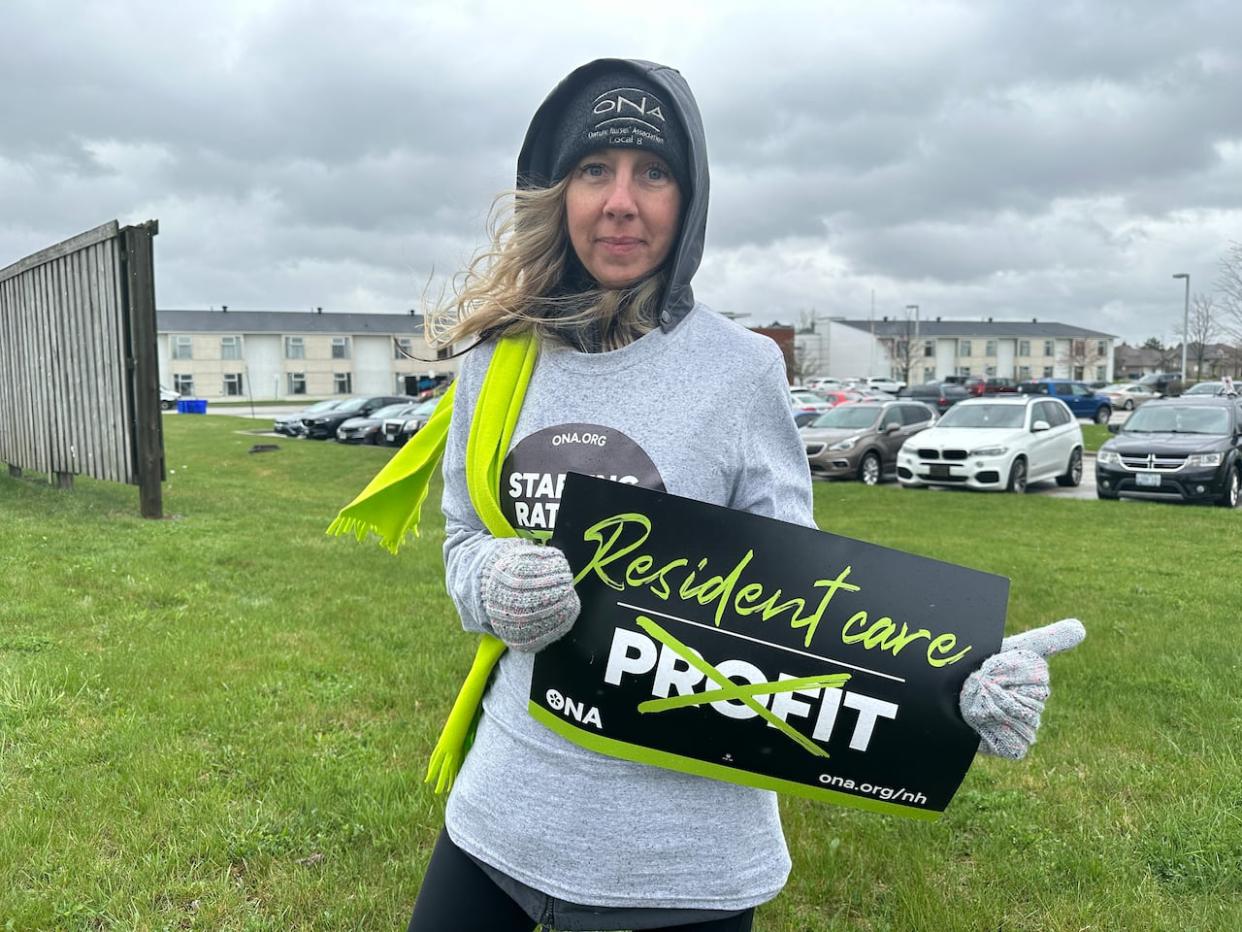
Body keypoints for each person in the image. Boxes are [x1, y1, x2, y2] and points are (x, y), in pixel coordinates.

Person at [394, 58, 1083, 931]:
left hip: (682, 859)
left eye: (654, 173)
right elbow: (463, 539)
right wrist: (491, 580)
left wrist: (956, 687)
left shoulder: (742, 368)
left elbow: (800, 603)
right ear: (556, 191)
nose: (621, 201)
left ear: (690, 201)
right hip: (501, 820)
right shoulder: (501, 358)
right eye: (594, 169)